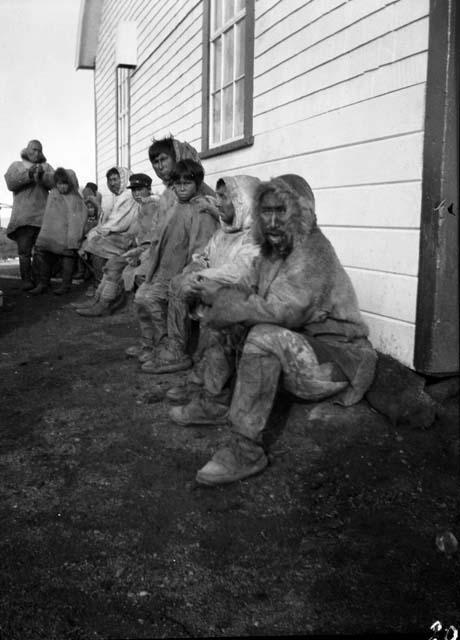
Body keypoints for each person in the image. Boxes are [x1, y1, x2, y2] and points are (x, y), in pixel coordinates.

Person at [175, 174, 377, 486]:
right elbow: (245, 286)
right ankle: (213, 400)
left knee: (260, 335)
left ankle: (246, 449)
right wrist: (212, 290)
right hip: (301, 347)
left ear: (303, 213)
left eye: (280, 212)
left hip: (337, 360)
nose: (270, 221)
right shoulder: (271, 253)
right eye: (265, 211)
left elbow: (285, 311)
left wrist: (227, 303)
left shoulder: (314, 251)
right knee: (226, 315)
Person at [150, 175, 261, 385]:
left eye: (223, 197)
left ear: (242, 201)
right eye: (217, 196)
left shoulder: (253, 236)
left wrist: (200, 276)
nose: (217, 202)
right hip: (210, 286)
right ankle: (176, 349)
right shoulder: (223, 233)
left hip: (237, 296)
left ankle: (206, 371)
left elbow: (240, 271)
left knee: (190, 289)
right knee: (179, 282)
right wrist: (195, 267)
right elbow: (204, 256)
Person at [125, 135, 217, 363]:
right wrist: (143, 252)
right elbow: (158, 234)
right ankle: (152, 342)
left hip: (187, 267)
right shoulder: (170, 195)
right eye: (154, 162)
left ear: (177, 157)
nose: (159, 166)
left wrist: (188, 269)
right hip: (164, 261)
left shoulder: (201, 199)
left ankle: (170, 346)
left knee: (152, 295)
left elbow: (203, 244)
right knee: (141, 294)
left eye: (163, 159)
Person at [75, 173, 159, 317]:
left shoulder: (152, 206)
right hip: (142, 249)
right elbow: (135, 233)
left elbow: (152, 239)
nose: (136, 193)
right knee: (112, 261)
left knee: (115, 264)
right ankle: (98, 300)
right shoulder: (142, 206)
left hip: (153, 253)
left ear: (149, 188)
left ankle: (104, 304)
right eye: (134, 190)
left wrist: (136, 252)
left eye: (140, 189)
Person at [4, 140, 54, 290]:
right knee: (24, 252)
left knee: (41, 251)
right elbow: (10, 183)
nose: (36, 153)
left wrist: (42, 174)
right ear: (26, 150)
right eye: (33, 150)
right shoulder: (16, 165)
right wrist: (29, 174)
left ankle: (41, 282)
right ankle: (27, 281)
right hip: (23, 218)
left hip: (41, 218)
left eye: (39, 150)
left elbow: (54, 182)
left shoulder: (46, 167)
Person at [29, 168, 88, 296]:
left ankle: (66, 285)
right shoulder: (53, 192)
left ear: (71, 183)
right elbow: (44, 178)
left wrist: (73, 241)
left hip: (67, 238)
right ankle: (43, 283)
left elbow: (78, 222)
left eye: (65, 183)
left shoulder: (76, 199)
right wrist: (39, 172)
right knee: (44, 258)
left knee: (67, 260)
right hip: (49, 236)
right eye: (59, 183)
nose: (62, 186)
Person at [79, 166, 137, 289]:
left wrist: (94, 233)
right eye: (110, 180)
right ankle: (103, 284)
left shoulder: (127, 196)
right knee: (93, 241)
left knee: (94, 245)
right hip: (125, 235)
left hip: (130, 238)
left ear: (123, 178)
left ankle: (102, 285)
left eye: (115, 179)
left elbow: (117, 224)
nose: (112, 183)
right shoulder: (121, 196)